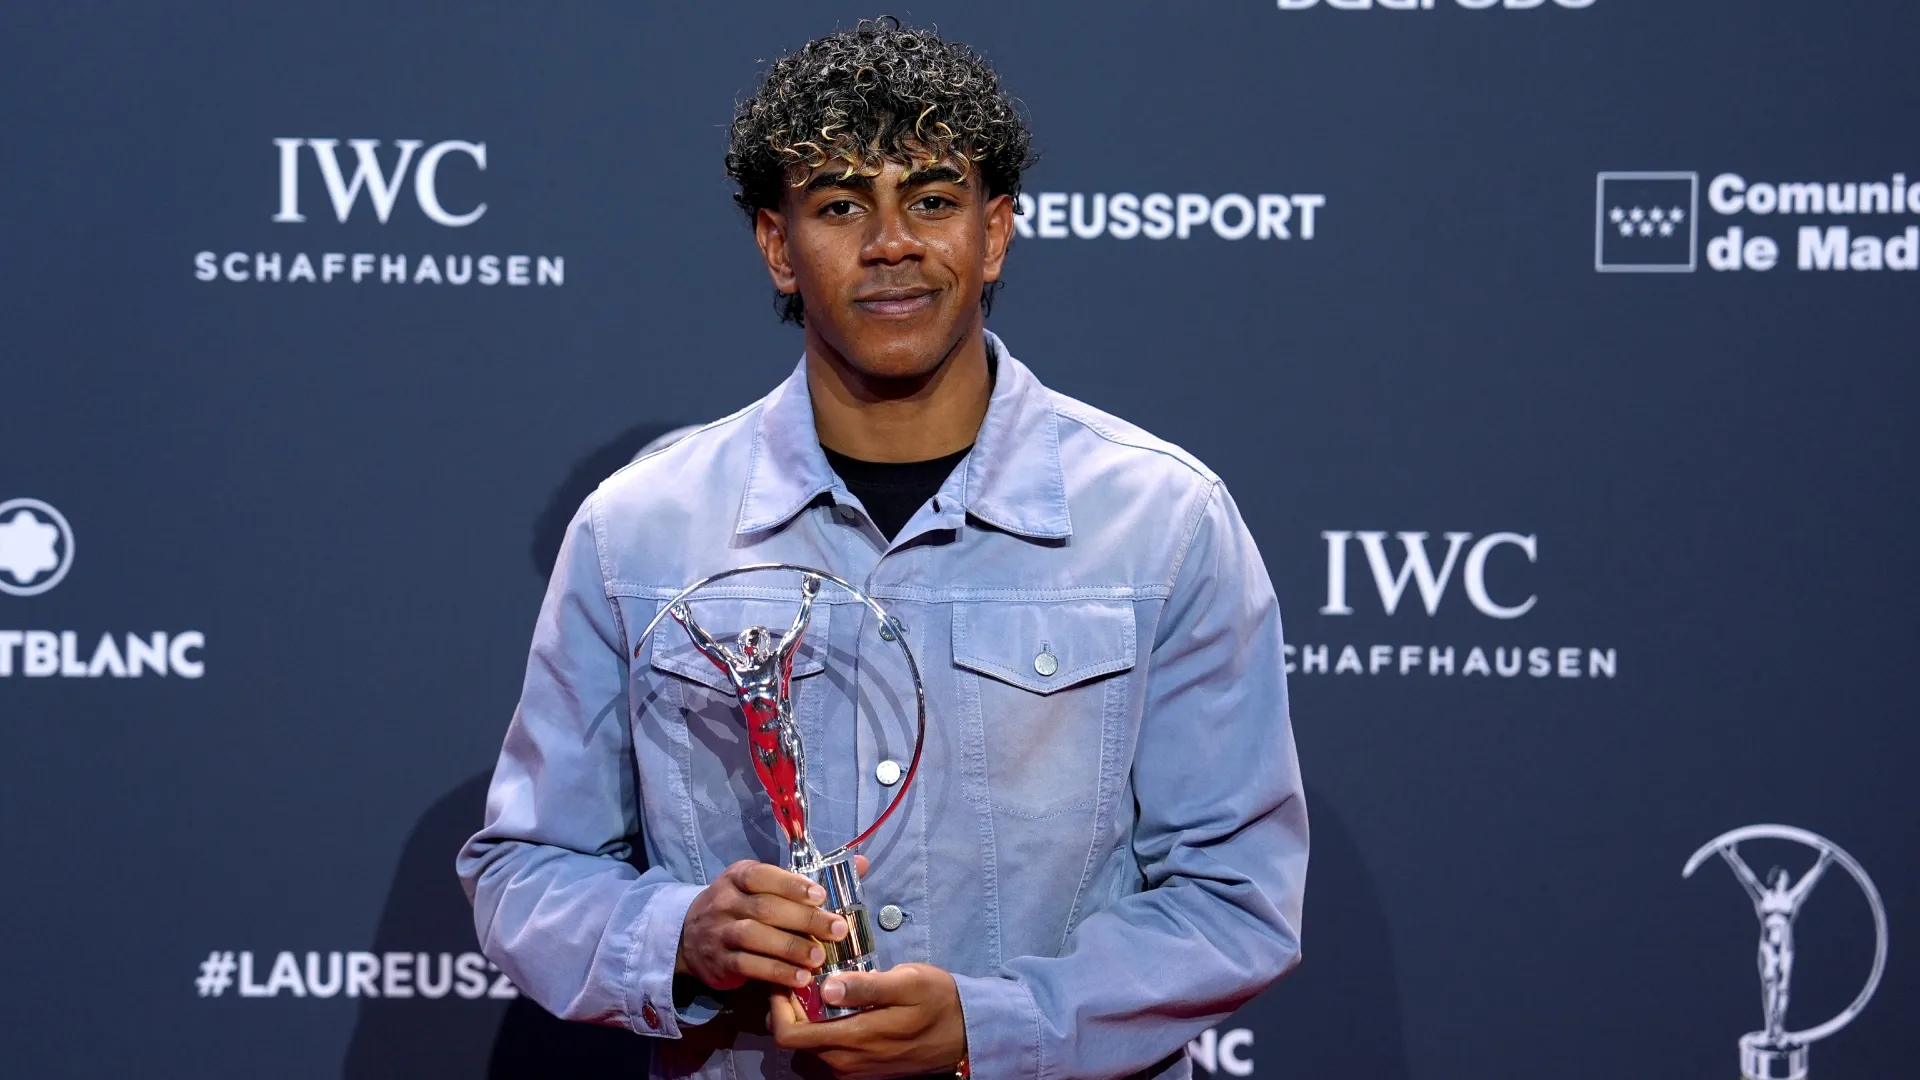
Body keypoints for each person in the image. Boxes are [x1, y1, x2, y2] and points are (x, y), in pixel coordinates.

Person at [458, 17, 1307, 1080]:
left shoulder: (1165, 523)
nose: (892, 243)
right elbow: (528, 871)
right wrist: (677, 937)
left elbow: (1236, 901)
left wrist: (996, 1024)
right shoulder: (638, 530)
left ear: (994, 233)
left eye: (934, 202)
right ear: (779, 245)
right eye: (842, 205)